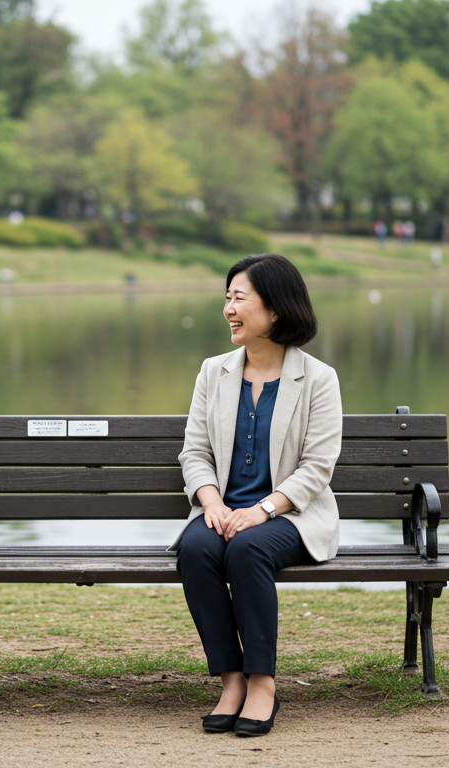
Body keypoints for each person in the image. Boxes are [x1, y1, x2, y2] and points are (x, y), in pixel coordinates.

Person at [174, 253, 341, 739]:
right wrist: (212, 503)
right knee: (196, 549)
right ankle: (232, 681)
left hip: (291, 516)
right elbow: (195, 453)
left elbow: (317, 468)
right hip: (222, 511)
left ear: (275, 309)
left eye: (239, 298)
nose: (228, 308)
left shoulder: (318, 378)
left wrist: (263, 509)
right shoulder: (213, 372)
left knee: (248, 548)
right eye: (226, 297)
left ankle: (262, 683)